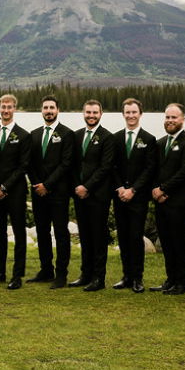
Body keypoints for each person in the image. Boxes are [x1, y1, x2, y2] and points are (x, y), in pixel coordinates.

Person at [150, 103, 185, 295]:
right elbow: (154, 169)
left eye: (174, 117)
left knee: (179, 242)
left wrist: (163, 189)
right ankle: (170, 279)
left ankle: (181, 282)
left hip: (179, 202)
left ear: (183, 120)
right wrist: (155, 190)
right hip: (161, 202)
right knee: (166, 242)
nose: (170, 121)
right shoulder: (160, 142)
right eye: (167, 117)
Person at [26, 95, 75, 289]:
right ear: (41, 110)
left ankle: (61, 274)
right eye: (45, 107)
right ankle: (46, 270)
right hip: (39, 193)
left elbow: (66, 164)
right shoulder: (34, 134)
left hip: (59, 193)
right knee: (42, 232)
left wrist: (48, 184)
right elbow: (29, 163)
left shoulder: (67, 134)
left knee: (61, 233)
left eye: (52, 107)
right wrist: (38, 184)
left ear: (58, 110)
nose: (48, 110)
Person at [111, 98, 157, 294]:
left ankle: (138, 278)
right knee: (123, 237)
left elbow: (149, 169)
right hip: (120, 196)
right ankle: (126, 276)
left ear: (140, 114)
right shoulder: (116, 138)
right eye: (127, 112)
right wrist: (120, 188)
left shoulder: (148, 139)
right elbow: (111, 167)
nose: (130, 115)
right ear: (123, 114)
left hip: (138, 198)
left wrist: (134, 190)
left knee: (136, 237)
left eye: (134, 112)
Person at [70, 100, 116, 292]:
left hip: (98, 196)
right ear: (83, 113)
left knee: (98, 237)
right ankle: (85, 274)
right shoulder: (77, 135)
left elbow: (105, 167)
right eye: (88, 112)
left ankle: (99, 278)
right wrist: (77, 186)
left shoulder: (108, 138)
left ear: (101, 114)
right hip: (79, 196)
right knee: (85, 236)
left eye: (95, 112)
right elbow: (71, 164)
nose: (91, 115)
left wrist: (87, 187)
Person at [0, 94, 31, 290]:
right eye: (3, 107)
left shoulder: (24, 136)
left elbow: (23, 167)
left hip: (16, 192)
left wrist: (4, 187)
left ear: (15, 109)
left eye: (9, 107)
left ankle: (17, 275)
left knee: (19, 232)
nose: (6, 110)